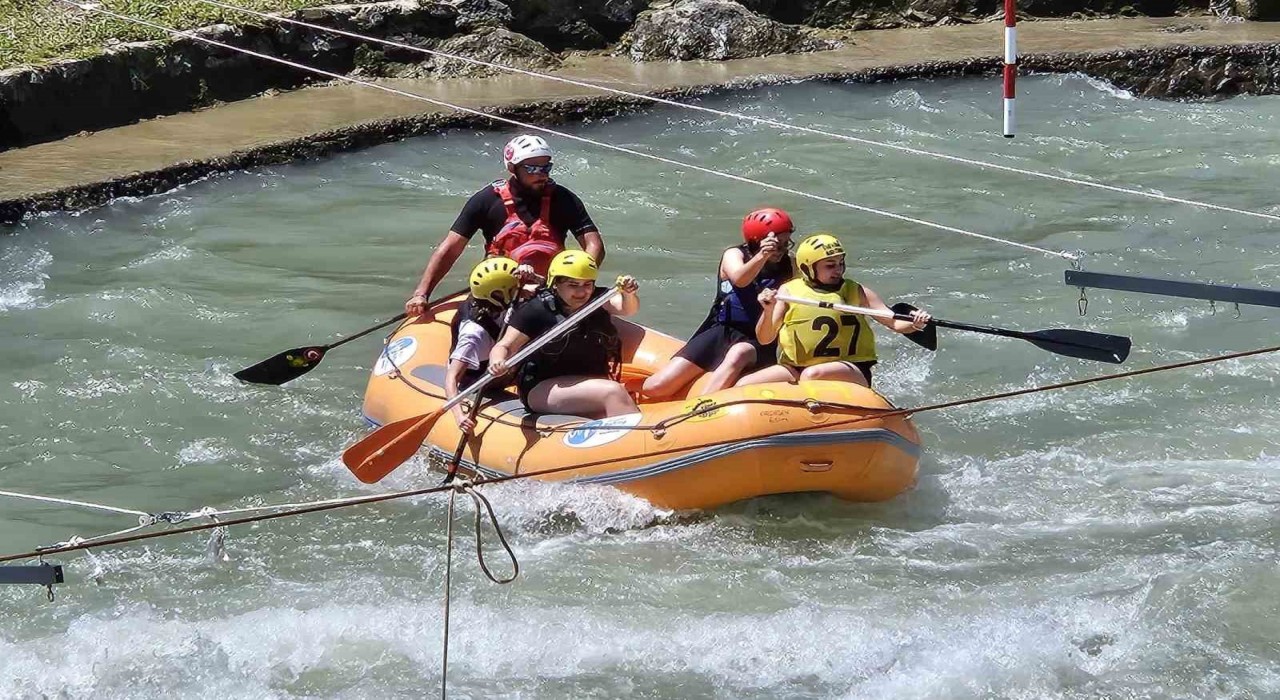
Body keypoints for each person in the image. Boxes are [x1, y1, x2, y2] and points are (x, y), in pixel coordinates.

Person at [405, 134, 605, 320]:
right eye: (532, 168)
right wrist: (421, 293)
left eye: (546, 168)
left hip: (549, 290)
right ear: (512, 167)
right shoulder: (486, 200)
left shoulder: (564, 199)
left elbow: (594, 245)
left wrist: (577, 282)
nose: (541, 174)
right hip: (499, 291)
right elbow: (451, 248)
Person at [738, 233, 930, 388]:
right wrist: (768, 310)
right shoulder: (788, 291)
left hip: (851, 368)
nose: (838, 270)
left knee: (813, 375)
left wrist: (915, 322)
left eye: (841, 263)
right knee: (744, 385)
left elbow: (894, 322)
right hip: (796, 368)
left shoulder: (856, 291)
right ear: (807, 268)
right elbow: (765, 339)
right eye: (830, 266)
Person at [641, 208, 796, 399]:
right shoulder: (734, 255)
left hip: (760, 338)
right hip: (722, 330)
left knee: (739, 354)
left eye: (785, 244)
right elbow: (740, 279)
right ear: (757, 241)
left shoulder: (791, 266)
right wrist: (762, 255)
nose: (781, 250)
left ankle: (699, 407)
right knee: (655, 387)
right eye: (776, 245)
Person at [488, 250, 641, 418]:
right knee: (613, 392)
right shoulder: (536, 309)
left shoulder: (598, 299)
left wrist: (628, 294)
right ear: (555, 283)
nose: (582, 292)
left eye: (587, 284)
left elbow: (627, 309)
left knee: (612, 392)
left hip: (589, 380)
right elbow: (505, 346)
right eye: (573, 285)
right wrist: (497, 361)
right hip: (543, 388)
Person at [445, 257, 524, 434]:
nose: (520, 291)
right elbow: (452, 377)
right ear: (498, 295)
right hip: (479, 380)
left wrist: (533, 277)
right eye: (514, 288)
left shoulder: (490, 301)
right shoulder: (474, 334)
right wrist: (459, 416)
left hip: (499, 362)